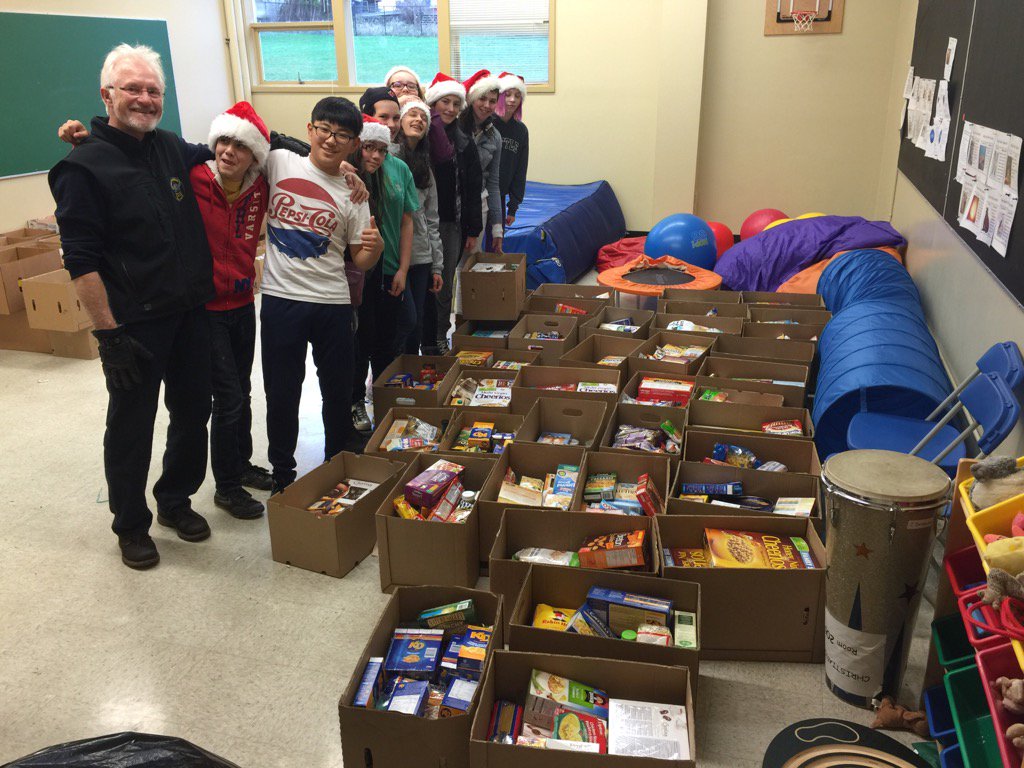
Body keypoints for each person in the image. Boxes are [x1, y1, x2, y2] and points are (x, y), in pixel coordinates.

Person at [49, 44, 217, 569]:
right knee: (131, 426)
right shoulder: (82, 168)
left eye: (153, 91)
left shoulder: (169, 146)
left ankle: (174, 501)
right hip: (133, 326)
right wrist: (108, 335)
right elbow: (81, 261)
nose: (145, 99)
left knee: (192, 413)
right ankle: (130, 525)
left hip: (191, 312)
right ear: (107, 95)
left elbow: (228, 150)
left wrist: (290, 145)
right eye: (133, 89)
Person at [259, 97, 383, 491]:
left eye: (342, 135)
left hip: (332, 303)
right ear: (310, 130)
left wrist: (375, 250)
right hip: (281, 299)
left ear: (354, 145)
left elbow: (360, 260)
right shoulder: (279, 161)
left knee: (336, 392)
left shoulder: (355, 194)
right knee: (281, 393)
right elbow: (251, 134)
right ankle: (282, 473)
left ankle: (335, 465)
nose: (331, 140)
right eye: (324, 130)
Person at [192, 101, 273, 520]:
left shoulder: (260, 186)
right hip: (205, 309)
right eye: (223, 141)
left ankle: (240, 464)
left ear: (255, 155)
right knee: (226, 398)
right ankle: (225, 486)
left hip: (243, 303)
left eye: (240, 146)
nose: (228, 151)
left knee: (241, 391)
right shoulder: (193, 179)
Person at [349, 114, 419, 432]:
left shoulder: (399, 169)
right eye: (368, 148)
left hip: (389, 269)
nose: (375, 156)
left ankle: (383, 402)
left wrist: (403, 269)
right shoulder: (345, 173)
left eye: (381, 149)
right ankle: (355, 402)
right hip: (354, 273)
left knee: (387, 342)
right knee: (359, 341)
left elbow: (407, 221)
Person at [422, 72, 482, 354]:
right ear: (433, 103)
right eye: (445, 102)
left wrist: (473, 229)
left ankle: (437, 338)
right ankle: (418, 339)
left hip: (451, 224)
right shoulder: (421, 136)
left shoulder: (464, 141)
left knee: (443, 284)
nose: (450, 109)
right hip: (420, 221)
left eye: (456, 104)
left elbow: (472, 187)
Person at [391, 99, 443, 354]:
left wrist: (437, 266)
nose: (419, 121)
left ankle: (409, 374)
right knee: (403, 319)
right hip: (393, 255)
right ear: (399, 121)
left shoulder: (425, 168)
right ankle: (386, 371)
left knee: (416, 322)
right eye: (412, 114)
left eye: (423, 118)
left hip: (421, 256)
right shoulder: (387, 158)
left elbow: (432, 220)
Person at [458, 69, 503, 255]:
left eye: (492, 101)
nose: (487, 105)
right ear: (472, 97)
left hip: (479, 206)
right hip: (453, 205)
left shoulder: (495, 137)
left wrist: (497, 227)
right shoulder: (455, 128)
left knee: (469, 266)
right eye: (482, 99)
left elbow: (493, 183)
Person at [494, 71, 529, 229]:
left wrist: (513, 208)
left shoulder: (521, 131)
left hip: (501, 195)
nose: (512, 100)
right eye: (507, 95)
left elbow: (520, 170)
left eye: (517, 95)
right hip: (483, 195)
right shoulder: (488, 124)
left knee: (496, 245)